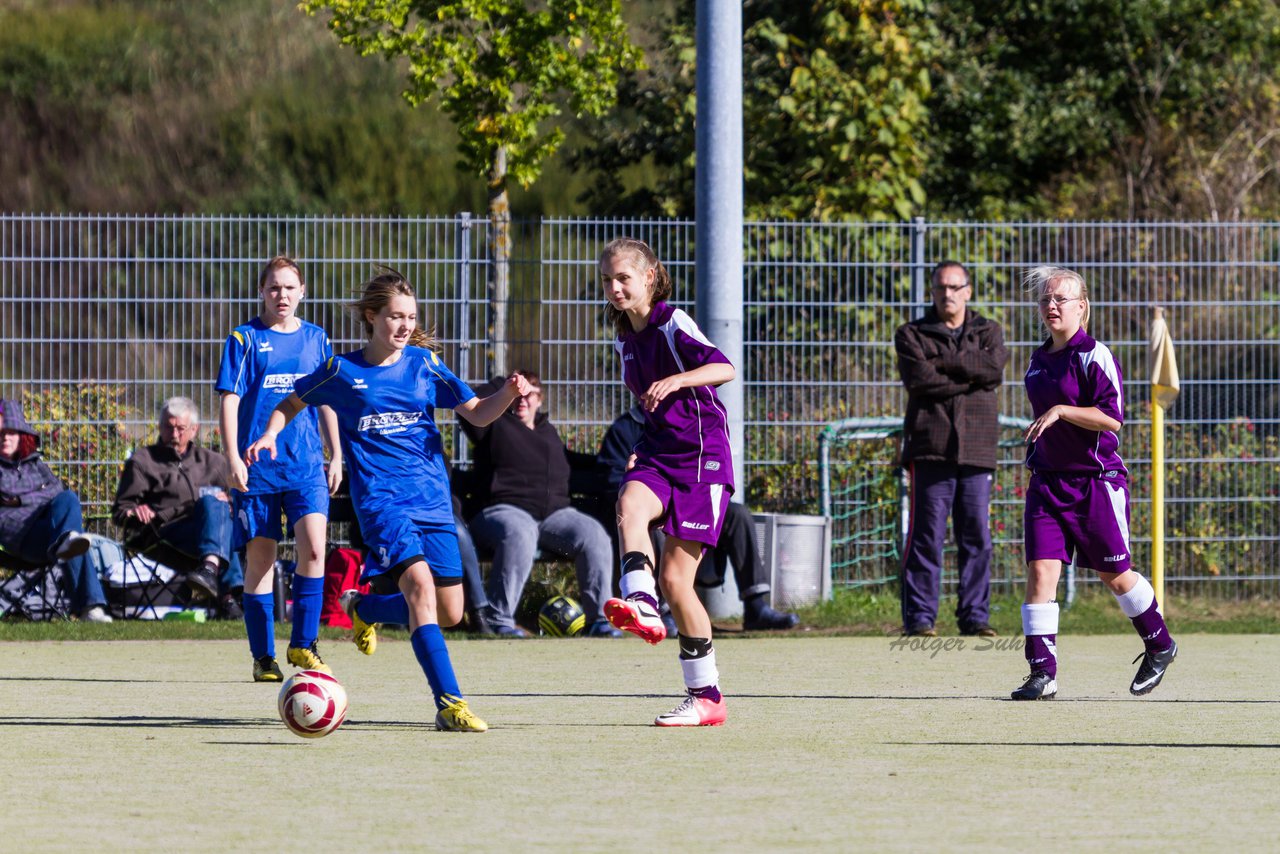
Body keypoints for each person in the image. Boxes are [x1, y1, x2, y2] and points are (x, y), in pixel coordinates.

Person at [245, 267, 532, 733]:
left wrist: (506, 392)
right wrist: (271, 434)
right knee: (418, 588)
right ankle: (450, 704)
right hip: (383, 504)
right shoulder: (342, 370)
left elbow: (478, 415)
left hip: (434, 504)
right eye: (394, 317)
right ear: (371, 316)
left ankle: (365, 608)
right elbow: (290, 403)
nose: (403, 326)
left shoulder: (424, 364)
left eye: (410, 317)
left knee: (450, 612)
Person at [1013, 266, 1178, 700]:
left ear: (1082, 307)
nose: (1052, 306)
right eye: (1046, 300)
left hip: (1095, 483)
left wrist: (1064, 411)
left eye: (1061, 299)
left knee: (1115, 575)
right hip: (1047, 483)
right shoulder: (1036, 360)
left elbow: (1112, 418)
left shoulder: (1094, 355)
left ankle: (1160, 643)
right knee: (1040, 573)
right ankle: (1042, 673)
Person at [598, 236, 735, 727]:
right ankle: (640, 600)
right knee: (629, 504)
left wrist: (679, 379)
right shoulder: (624, 339)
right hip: (660, 452)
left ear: (649, 278)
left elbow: (725, 367)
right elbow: (649, 402)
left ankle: (706, 698)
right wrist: (644, 438)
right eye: (608, 280)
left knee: (679, 582)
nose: (615, 288)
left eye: (623, 278)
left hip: (703, 459)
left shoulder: (673, 322)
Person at [217, 256, 343, 683]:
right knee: (262, 560)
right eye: (274, 288)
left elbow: (327, 400)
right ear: (262, 292)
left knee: (312, 550)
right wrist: (233, 456)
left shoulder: (316, 339)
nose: (282, 295)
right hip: (259, 469)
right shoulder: (244, 339)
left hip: (306, 465)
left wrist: (336, 453)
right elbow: (230, 400)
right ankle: (263, 656)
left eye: (289, 288)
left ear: (302, 292)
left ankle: (305, 644)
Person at [598, 405, 799, 631]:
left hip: (694, 498)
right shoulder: (626, 428)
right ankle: (660, 609)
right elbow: (610, 478)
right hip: (655, 504)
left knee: (737, 514)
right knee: (649, 519)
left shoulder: (695, 419)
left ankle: (755, 605)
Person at [893, 260, 1009, 637]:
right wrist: (970, 376)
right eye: (941, 287)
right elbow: (921, 382)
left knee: (976, 536)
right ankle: (920, 619)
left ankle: (975, 617)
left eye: (955, 287)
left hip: (977, 448)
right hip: (930, 448)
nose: (948, 294)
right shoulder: (911, 333)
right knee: (926, 535)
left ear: (968, 291)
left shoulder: (989, 330)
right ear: (933, 291)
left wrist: (943, 363)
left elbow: (993, 371)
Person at [460, 371, 622, 639]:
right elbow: (470, 407)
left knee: (594, 534)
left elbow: (577, 463)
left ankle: (599, 621)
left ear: (540, 399)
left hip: (553, 516)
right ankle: (499, 619)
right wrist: (506, 384)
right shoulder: (494, 424)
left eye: (529, 394)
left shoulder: (548, 432)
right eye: (518, 395)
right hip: (502, 511)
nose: (522, 400)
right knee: (521, 532)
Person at [112, 397, 244, 615]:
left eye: (181, 429)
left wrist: (230, 503)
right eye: (168, 427)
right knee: (215, 507)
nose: (174, 435)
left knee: (217, 506)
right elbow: (120, 512)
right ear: (160, 426)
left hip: (208, 534)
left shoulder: (214, 462)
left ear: (194, 429)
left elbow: (238, 500)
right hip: (165, 535)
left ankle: (211, 571)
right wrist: (134, 511)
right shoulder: (143, 461)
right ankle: (232, 594)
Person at [0, 399, 108, 622]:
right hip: (22, 538)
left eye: (11, 432)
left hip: (49, 532)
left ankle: (65, 539)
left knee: (68, 499)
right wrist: (37, 496)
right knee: (72, 540)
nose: (5, 437)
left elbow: (56, 491)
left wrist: (20, 500)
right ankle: (90, 608)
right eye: (1, 432)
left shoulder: (35, 464)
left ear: (21, 436)